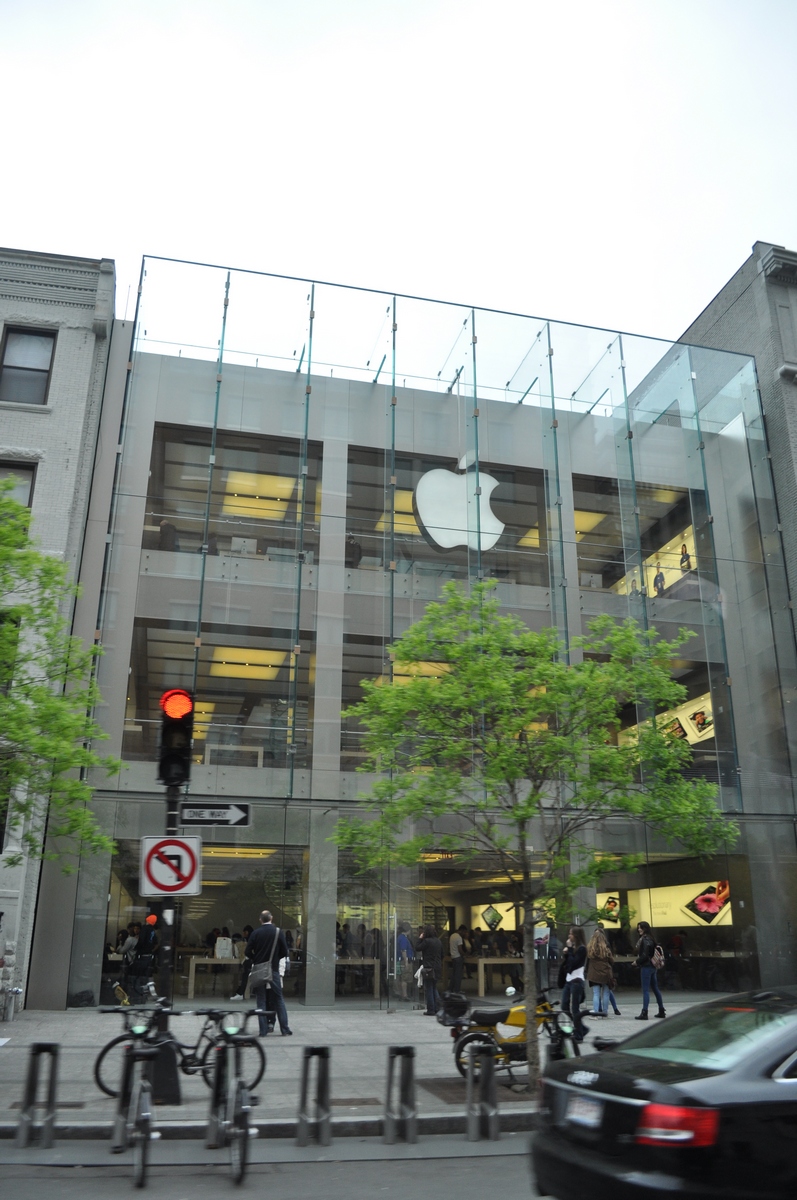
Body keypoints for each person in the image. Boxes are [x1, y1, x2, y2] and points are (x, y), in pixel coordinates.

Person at [246, 910, 292, 1037]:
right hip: (273, 969)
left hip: (259, 969)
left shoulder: (255, 933)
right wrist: (275, 959)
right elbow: (284, 951)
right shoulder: (278, 932)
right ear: (271, 918)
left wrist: (256, 959)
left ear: (260, 920)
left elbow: (247, 951)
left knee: (261, 1000)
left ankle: (263, 1030)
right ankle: (285, 1029)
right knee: (279, 999)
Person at [559, 926, 587, 1042]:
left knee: (575, 1009)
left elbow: (574, 963)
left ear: (576, 936)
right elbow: (568, 964)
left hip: (577, 981)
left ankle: (579, 1035)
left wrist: (569, 950)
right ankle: (582, 1028)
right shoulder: (573, 948)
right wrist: (567, 953)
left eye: (571, 934)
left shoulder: (582, 949)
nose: (569, 936)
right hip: (569, 980)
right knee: (564, 1005)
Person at [634, 920, 666, 1020]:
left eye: (641, 927)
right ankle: (661, 1010)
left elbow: (645, 955)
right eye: (638, 927)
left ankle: (644, 1012)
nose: (639, 929)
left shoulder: (645, 939)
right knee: (655, 988)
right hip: (653, 966)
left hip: (646, 967)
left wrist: (637, 962)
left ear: (645, 928)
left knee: (646, 990)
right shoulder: (651, 938)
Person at [586, 927, 615, 1017]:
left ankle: (596, 1012)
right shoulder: (606, 949)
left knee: (596, 993)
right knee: (606, 993)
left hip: (594, 974)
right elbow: (612, 961)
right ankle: (604, 1012)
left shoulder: (590, 950)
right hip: (605, 973)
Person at [130, 915, 158, 999]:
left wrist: (136, 948)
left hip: (142, 955)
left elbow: (141, 941)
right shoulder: (153, 931)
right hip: (149, 955)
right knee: (146, 974)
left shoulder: (144, 929)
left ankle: (137, 992)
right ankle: (146, 992)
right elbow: (155, 942)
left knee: (137, 974)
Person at [417, 924, 443, 1015]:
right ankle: (438, 1007)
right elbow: (442, 955)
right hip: (437, 967)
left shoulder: (427, 941)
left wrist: (420, 938)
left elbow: (417, 948)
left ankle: (431, 1009)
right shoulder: (438, 941)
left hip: (428, 967)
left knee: (429, 988)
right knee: (434, 987)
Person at [230, 924, 254, 1001]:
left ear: (246, 932)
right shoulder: (254, 939)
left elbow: (239, 953)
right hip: (254, 961)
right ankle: (240, 992)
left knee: (245, 976)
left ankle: (240, 993)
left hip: (249, 961)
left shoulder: (244, 942)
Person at [396, 921, 415, 1001]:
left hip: (401, 960)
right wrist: (406, 962)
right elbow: (404, 950)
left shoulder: (400, 937)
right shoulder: (403, 939)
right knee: (405, 978)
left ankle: (402, 994)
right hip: (405, 961)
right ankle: (405, 995)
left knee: (401, 978)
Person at [449, 924, 468, 992]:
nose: (464, 934)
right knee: (458, 975)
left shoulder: (452, 936)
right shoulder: (459, 938)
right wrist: (465, 954)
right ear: (462, 930)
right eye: (464, 932)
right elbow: (460, 949)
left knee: (454, 974)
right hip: (458, 957)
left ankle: (451, 988)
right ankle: (457, 989)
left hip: (453, 957)